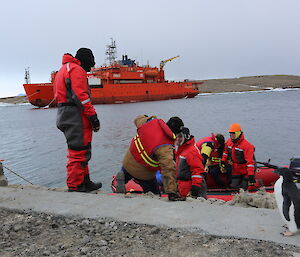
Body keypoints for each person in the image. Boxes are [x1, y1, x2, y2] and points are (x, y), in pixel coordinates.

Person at [54, 48, 102, 192]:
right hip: (75, 115)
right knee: (78, 153)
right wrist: (93, 117)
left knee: (82, 149)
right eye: (90, 63)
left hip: (65, 114)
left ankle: (85, 182)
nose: (90, 67)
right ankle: (76, 186)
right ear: (85, 61)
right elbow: (81, 96)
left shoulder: (63, 69)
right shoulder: (77, 70)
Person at [116, 115, 186, 201]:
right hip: (142, 172)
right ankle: (161, 195)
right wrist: (172, 192)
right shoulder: (165, 147)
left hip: (127, 161)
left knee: (128, 170)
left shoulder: (151, 122)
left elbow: (137, 120)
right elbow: (168, 168)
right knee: (155, 194)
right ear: (176, 132)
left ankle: (123, 176)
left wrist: (147, 117)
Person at [221, 123, 256, 190]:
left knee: (245, 187)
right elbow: (225, 152)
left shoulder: (247, 146)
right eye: (230, 133)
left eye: (233, 133)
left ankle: (256, 184)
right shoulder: (229, 142)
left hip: (245, 169)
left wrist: (251, 175)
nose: (231, 135)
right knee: (234, 186)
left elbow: (250, 162)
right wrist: (223, 161)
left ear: (238, 133)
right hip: (236, 169)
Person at [176, 127, 207, 199]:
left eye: (180, 136)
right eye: (177, 136)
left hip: (190, 189)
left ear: (186, 137)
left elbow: (197, 171)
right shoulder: (182, 151)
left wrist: (194, 190)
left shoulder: (191, 151)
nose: (178, 139)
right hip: (183, 188)